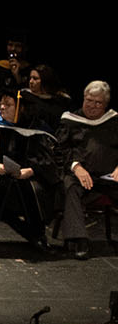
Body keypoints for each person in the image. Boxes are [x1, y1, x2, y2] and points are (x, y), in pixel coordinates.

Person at [0, 91, 62, 254]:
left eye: (8, 104)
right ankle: (35, 236)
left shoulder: (38, 129)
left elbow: (48, 160)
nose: (2, 107)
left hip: (29, 175)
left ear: (21, 108)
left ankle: (36, 233)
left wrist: (31, 170)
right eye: (1, 103)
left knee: (36, 191)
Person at [56, 80, 117, 260]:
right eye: (89, 100)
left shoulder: (114, 122)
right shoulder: (70, 121)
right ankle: (79, 239)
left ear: (105, 105)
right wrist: (76, 166)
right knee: (70, 186)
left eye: (98, 103)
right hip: (80, 176)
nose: (92, 106)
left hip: (109, 177)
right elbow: (60, 150)